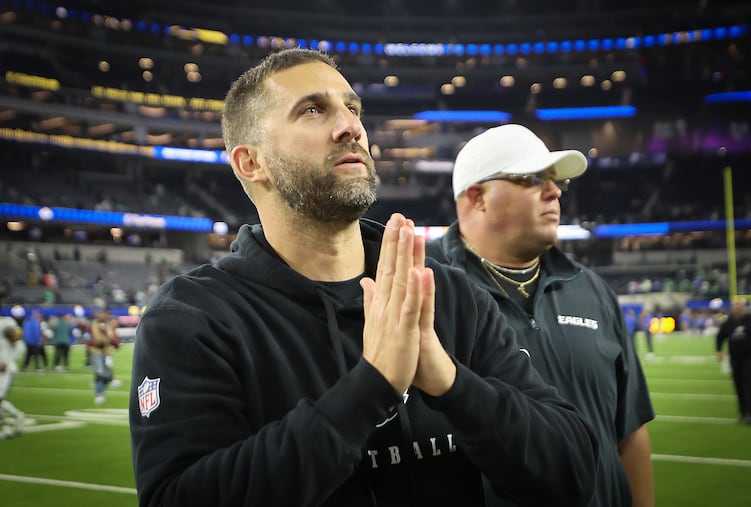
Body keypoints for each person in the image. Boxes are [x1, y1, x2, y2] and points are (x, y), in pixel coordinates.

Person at [129, 48, 600, 507]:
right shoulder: (193, 320)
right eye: (313, 110)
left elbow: (574, 473)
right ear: (252, 163)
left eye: (353, 109)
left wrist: (451, 381)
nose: (351, 126)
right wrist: (371, 387)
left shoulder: (448, 294)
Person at [426, 124, 655, 507]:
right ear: (477, 196)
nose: (554, 191)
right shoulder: (425, 287)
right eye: (532, 179)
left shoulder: (592, 290)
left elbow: (629, 433)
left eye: (554, 181)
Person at [716, 298, 751, 425]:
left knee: (748, 385)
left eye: (739, 305)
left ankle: (750, 414)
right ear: (732, 307)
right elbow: (720, 336)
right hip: (734, 358)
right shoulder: (728, 322)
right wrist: (719, 350)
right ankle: (742, 413)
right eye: (735, 306)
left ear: (743, 307)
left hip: (749, 357)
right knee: (738, 385)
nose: (738, 308)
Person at [0, 316, 26, 439]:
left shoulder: (4, 323)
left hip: (6, 370)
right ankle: (16, 417)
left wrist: (7, 362)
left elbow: (19, 345)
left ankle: (7, 427)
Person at [89, 309, 119, 405]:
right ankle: (99, 394)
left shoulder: (109, 325)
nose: (104, 316)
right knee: (100, 372)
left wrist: (115, 343)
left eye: (105, 314)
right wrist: (94, 343)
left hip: (107, 352)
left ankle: (110, 379)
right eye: (102, 313)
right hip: (96, 352)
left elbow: (114, 338)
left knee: (107, 371)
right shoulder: (91, 325)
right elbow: (86, 337)